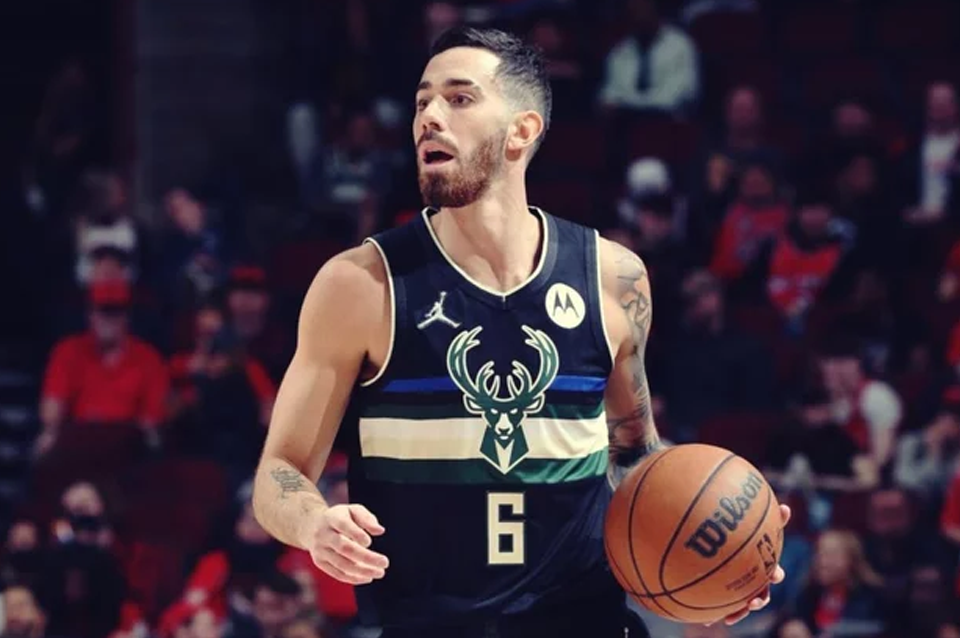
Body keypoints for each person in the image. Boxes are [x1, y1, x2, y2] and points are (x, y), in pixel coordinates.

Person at [252, 27, 790, 638]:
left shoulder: (612, 278)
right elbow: (279, 471)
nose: (429, 116)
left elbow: (635, 454)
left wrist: (724, 548)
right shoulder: (360, 284)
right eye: (422, 100)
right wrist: (313, 524)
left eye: (459, 98)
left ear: (522, 130)